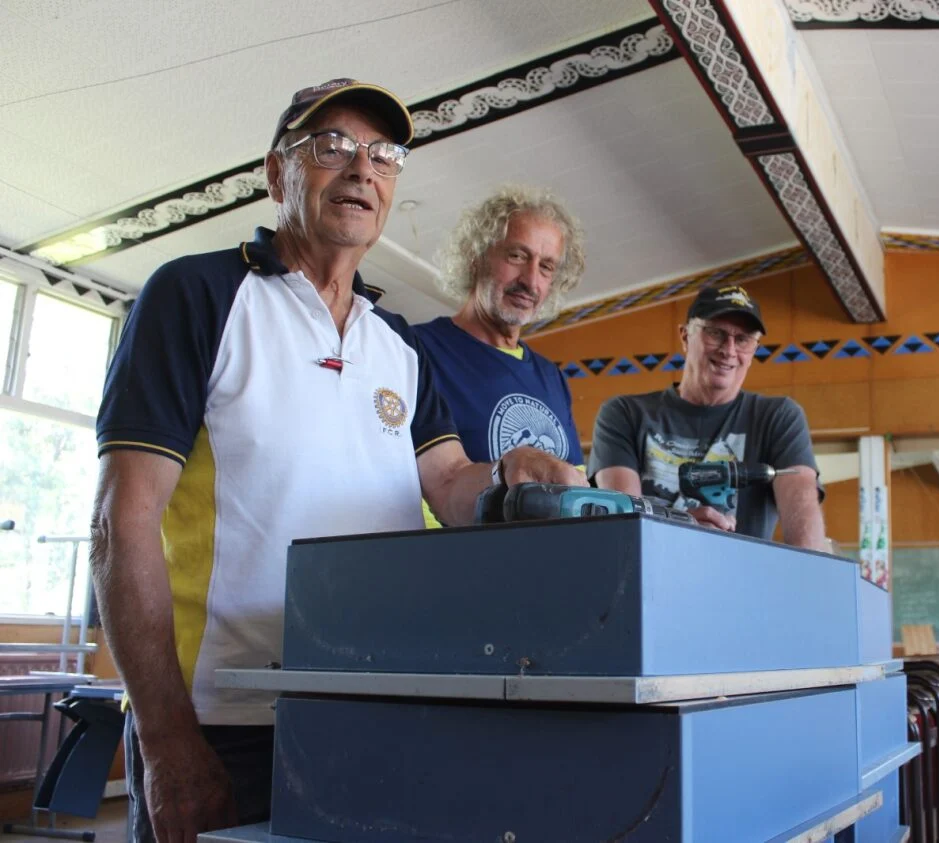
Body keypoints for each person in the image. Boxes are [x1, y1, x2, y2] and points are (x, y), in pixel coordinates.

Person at [88, 78, 580, 843]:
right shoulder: (198, 295)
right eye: (332, 147)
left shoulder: (400, 345)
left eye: (383, 156)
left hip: (374, 710)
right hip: (226, 720)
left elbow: (450, 483)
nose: (361, 169)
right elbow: (122, 522)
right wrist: (167, 738)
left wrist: (512, 469)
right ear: (278, 171)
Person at [589, 285, 826, 550]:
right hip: (651, 580)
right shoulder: (624, 413)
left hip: (745, 585)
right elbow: (623, 525)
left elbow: (806, 527)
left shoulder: (779, 418)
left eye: (744, 339)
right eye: (716, 333)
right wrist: (682, 525)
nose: (729, 350)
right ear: (685, 336)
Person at [413, 185, 586, 528]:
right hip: (449, 565)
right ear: (475, 256)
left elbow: (576, 488)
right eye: (517, 256)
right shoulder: (417, 349)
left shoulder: (551, 375)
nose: (531, 280)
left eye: (547, 267)